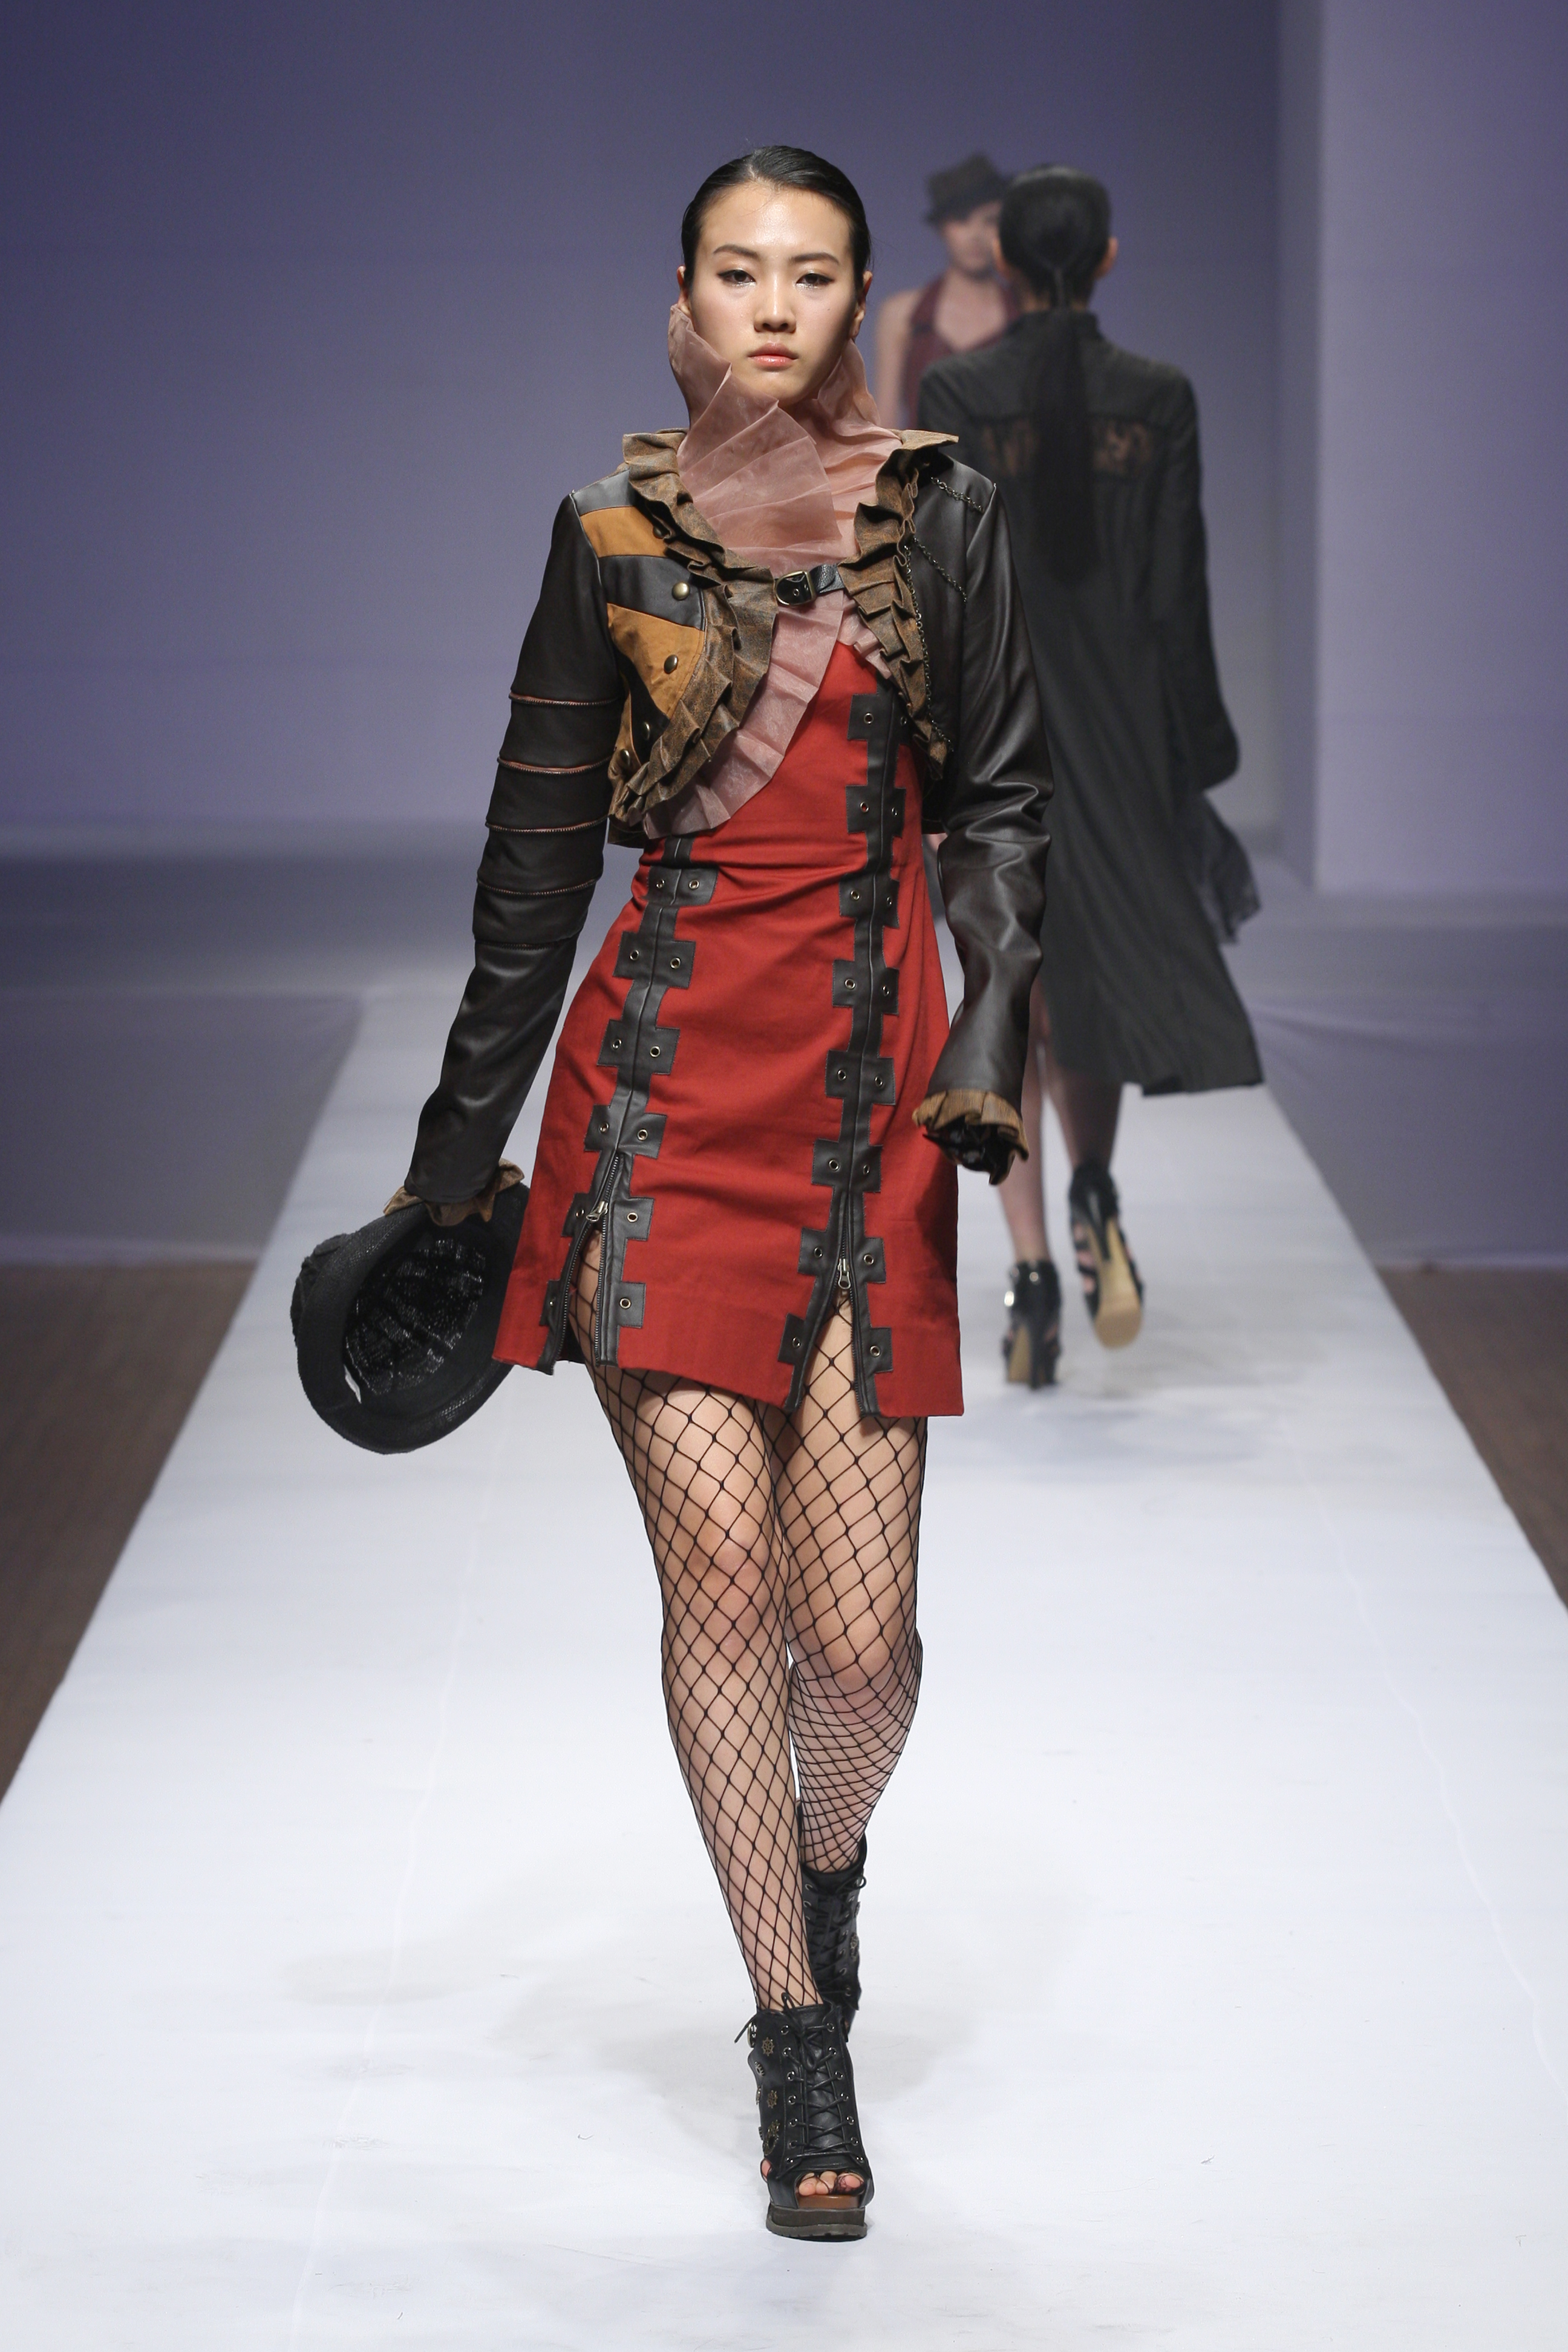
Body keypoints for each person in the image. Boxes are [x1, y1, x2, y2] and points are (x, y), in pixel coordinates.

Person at [387, 148, 1051, 2238]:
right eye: (739, 270)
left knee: (862, 1645)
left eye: (813, 273)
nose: (774, 306)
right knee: (727, 1591)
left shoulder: (943, 517)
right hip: (659, 1109)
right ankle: (792, 2029)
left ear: (861, 298)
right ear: (683, 292)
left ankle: (825, 1866)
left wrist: (986, 1036)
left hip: (869, 1108)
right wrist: (448, 1175)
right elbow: (531, 872)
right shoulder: (611, 535)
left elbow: (1007, 805)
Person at [919, 165, 1261, 1389]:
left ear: (1004, 263)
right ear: (1108, 258)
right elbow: (1176, 595)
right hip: (1116, 738)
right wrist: (1196, 755)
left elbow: (941, 593)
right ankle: (1096, 1188)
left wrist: (928, 756)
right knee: (1097, 980)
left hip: (997, 736)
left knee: (1010, 988)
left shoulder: (955, 393)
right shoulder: (1159, 400)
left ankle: (1027, 1275)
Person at [874, 152, 1019, 426]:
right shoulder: (903, 314)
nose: (976, 235)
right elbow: (885, 425)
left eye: (989, 220)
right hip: (924, 456)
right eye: (962, 220)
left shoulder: (1022, 315)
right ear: (942, 228)